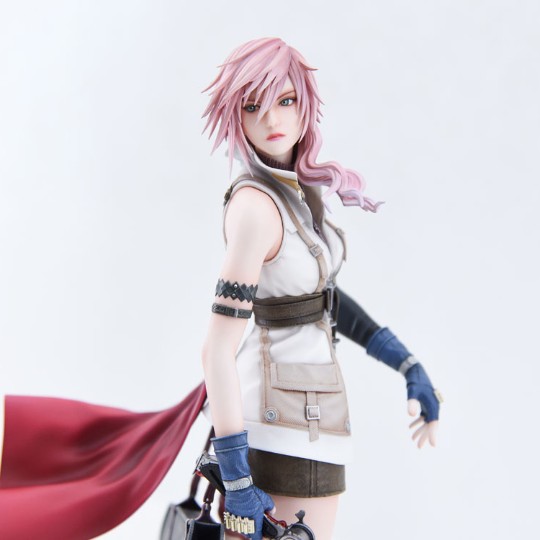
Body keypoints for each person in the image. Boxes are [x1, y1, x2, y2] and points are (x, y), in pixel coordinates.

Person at [200, 37, 442, 540]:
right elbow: (216, 349)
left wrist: (406, 363)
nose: (272, 119)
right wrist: (238, 477)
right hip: (280, 424)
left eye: (285, 100)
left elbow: (321, 301)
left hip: (314, 420)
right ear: (235, 117)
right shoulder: (255, 208)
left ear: (305, 103)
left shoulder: (296, 193)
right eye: (253, 106)